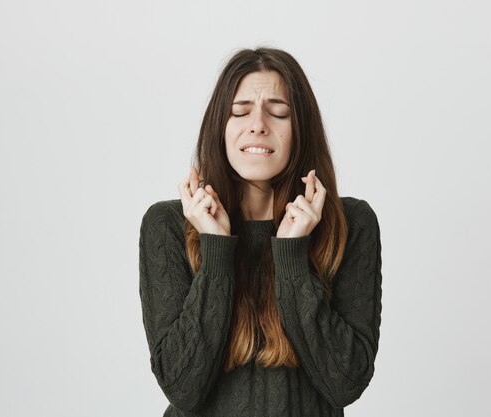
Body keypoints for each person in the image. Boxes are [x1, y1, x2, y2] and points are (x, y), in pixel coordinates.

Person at [138, 47, 382, 417]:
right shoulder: (168, 225)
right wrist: (215, 248)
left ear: (300, 128)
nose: (258, 124)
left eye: (278, 112)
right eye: (240, 111)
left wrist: (293, 255)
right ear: (220, 125)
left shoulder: (350, 222)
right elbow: (182, 387)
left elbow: (345, 383)